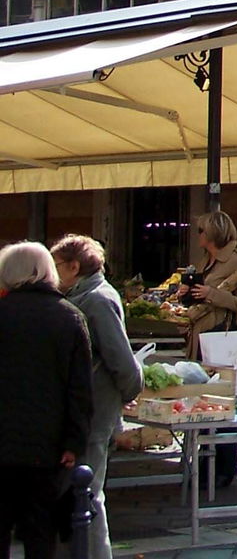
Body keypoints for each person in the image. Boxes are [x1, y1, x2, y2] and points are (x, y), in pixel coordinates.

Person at [50, 235, 142, 559]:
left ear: (74, 267)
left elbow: (122, 360)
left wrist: (129, 392)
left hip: (95, 411)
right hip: (88, 409)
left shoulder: (97, 299)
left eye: (57, 265)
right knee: (78, 493)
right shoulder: (82, 296)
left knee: (87, 494)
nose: (52, 271)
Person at [0, 241, 92, 559]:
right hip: (47, 446)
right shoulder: (70, 318)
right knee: (40, 531)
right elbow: (80, 389)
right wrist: (74, 442)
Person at [179, 210, 237, 487]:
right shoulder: (205, 262)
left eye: (201, 230)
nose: (197, 235)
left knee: (222, 402)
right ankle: (203, 458)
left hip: (222, 340)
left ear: (212, 234)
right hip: (200, 340)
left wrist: (212, 294)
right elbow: (201, 304)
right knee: (202, 400)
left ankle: (224, 465)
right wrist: (188, 296)